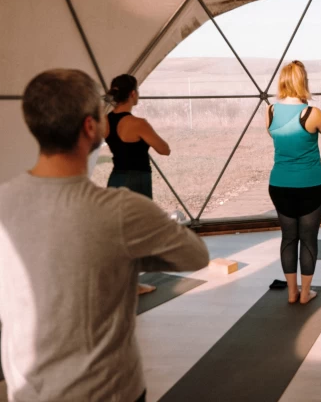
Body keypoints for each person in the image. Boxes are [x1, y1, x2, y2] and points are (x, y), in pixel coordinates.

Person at [0, 69, 209, 402]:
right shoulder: (121, 211)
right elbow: (196, 255)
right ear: (89, 127)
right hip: (109, 391)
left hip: (27, 392)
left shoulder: (4, 202)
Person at [268, 61, 321, 305]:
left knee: (289, 238)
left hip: (279, 185)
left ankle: (291, 292)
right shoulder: (311, 113)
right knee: (308, 239)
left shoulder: (270, 110)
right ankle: (306, 294)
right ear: (303, 82)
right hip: (310, 186)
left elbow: (275, 135)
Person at [104, 74, 172, 296]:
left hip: (115, 179)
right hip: (137, 179)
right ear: (132, 93)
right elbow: (164, 149)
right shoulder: (137, 123)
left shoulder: (105, 121)